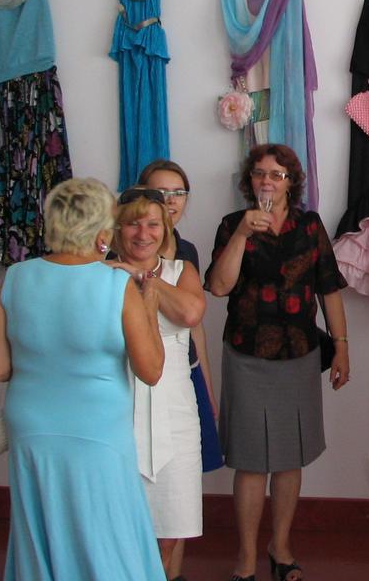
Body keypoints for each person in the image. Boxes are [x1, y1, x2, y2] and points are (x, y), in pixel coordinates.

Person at [0, 177, 165, 580]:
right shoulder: (117, 284)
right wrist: (150, 305)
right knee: (106, 532)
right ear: (103, 232)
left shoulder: (15, 278)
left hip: (32, 428)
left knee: (40, 529)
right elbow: (151, 370)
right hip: (97, 430)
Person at [206, 143, 351, 581]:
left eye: (276, 174)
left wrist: (342, 345)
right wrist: (241, 236)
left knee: (289, 458)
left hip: (299, 354)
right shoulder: (232, 224)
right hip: (247, 353)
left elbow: (328, 288)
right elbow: (219, 287)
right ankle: (246, 557)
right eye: (259, 173)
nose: (266, 181)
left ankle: (281, 547)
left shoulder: (309, 225)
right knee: (251, 460)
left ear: (291, 183)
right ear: (249, 181)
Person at [110, 186, 207, 578]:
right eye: (133, 224)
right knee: (120, 534)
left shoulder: (181, 271)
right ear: (117, 228)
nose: (143, 234)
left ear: (165, 229)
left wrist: (144, 278)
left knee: (169, 533)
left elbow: (191, 313)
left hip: (175, 412)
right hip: (118, 411)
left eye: (153, 224)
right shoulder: (102, 273)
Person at [139, 159, 225, 581]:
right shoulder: (121, 252)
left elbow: (195, 326)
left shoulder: (186, 252)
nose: (171, 202)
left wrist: (205, 383)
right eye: (161, 193)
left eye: (178, 193)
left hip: (182, 374)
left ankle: (173, 574)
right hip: (140, 381)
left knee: (180, 491)